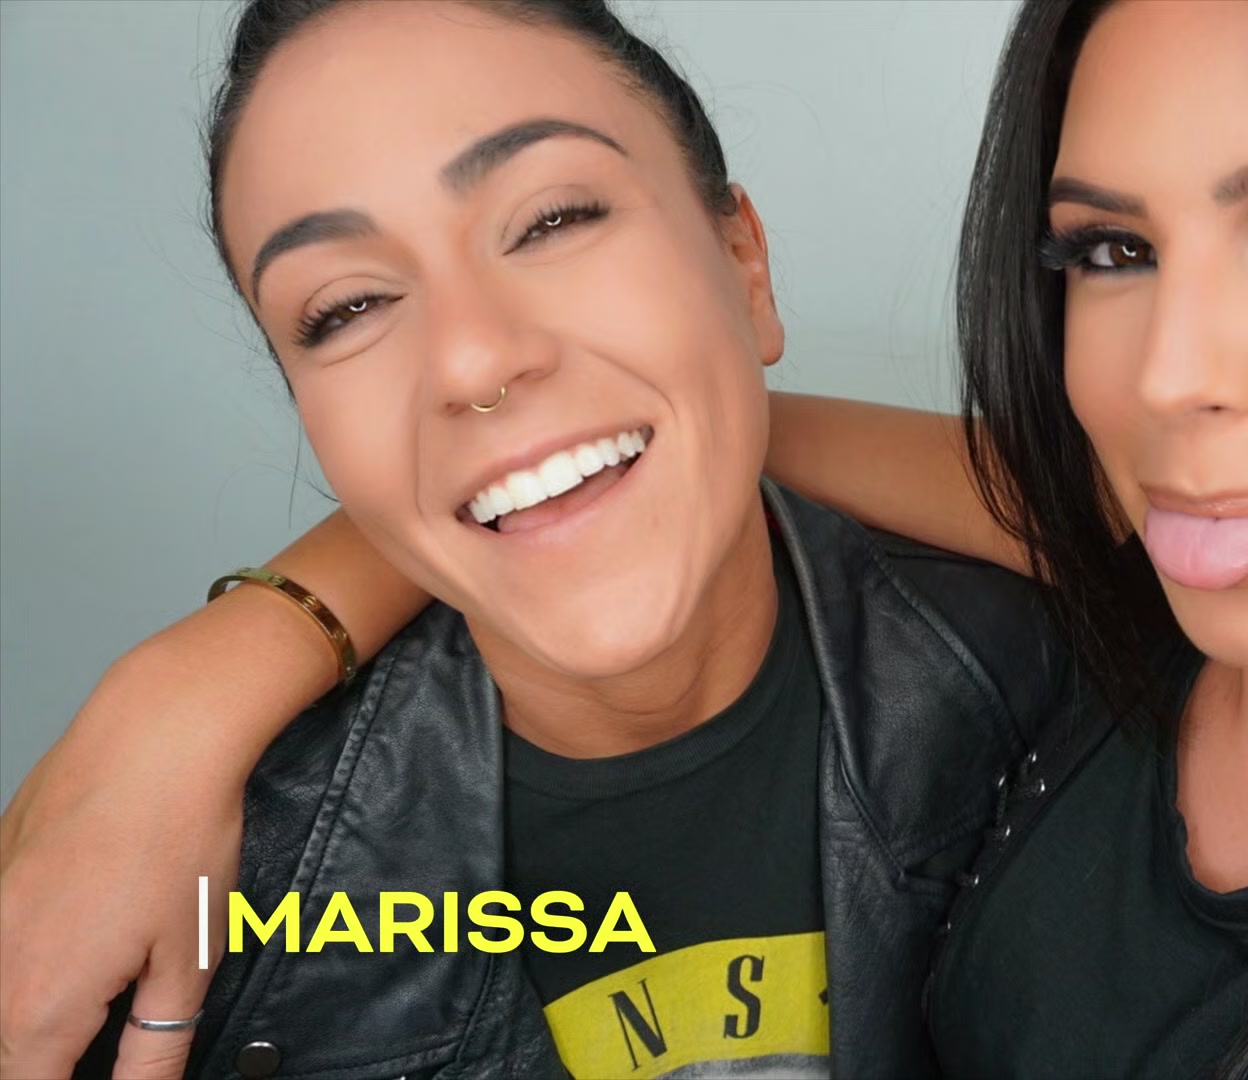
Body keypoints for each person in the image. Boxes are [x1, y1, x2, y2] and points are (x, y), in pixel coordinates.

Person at [6, 0, 1248, 1077]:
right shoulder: (1135, 603)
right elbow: (650, 441)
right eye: (1108, 251)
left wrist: (228, 653)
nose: (1170, 375)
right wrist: (219, 670)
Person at [0, 1, 1077, 1077]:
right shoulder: (164, 895)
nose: (472, 361)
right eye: (347, 308)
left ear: (742, 262)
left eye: (552, 220)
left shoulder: (1065, 691)